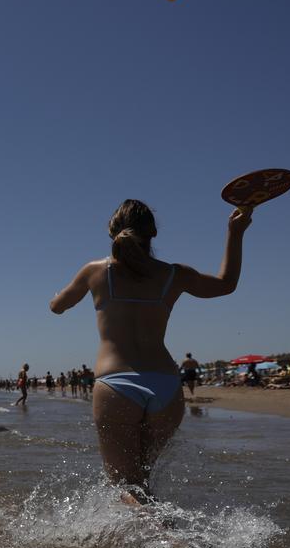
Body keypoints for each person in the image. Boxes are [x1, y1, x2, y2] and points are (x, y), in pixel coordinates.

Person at [50, 199, 252, 504]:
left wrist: (58, 299)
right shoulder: (174, 274)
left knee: (125, 486)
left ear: (112, 232)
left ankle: (176, 546)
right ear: (153, 232)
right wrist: (235, 232)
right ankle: (154, 542)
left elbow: (57, 307)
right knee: (141, 479)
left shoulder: (95, 272)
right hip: (167, 388)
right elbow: (226, 283)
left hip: (116, 385)